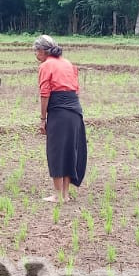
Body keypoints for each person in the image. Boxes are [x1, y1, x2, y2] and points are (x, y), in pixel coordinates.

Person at [34, 35, 86, 203]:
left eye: (36, 51)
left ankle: (58, 195)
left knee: (56, 151)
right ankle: (65, 194)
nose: (35, 55)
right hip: (75, 111)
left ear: (42, 51)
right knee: (70, 151)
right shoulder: (68, 63)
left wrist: (43, 118)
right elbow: (76, 90)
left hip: (59, 111)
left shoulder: (46, 65)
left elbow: (44, 94)